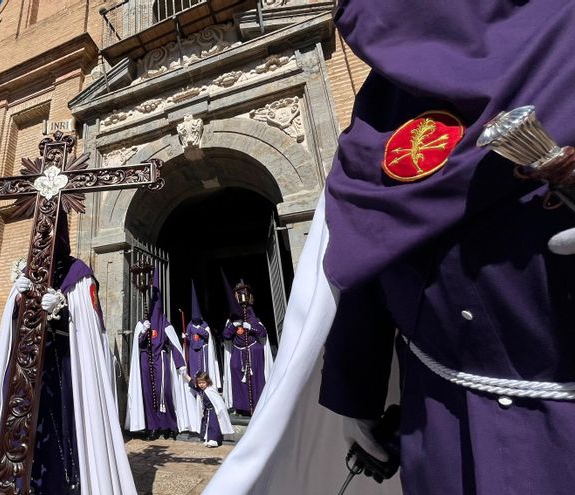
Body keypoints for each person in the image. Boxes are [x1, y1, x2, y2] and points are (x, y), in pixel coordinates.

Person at [205, 2, 575, 494]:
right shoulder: (380, 108)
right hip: (444, 420)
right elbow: (367, 246)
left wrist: (355, 392)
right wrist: (355, 391)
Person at [0, 209, 136, 495]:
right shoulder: (26, 270)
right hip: (24, 369)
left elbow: (91, 327)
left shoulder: (78, 273)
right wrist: (16, 300)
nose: (44, 235)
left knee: (59, 426)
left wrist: (62, 309)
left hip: (62, 369)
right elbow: (11, 326)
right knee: (14, 426)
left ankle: (60, 484)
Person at [125, 270, 199, 440]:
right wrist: (143, 331)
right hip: (146, 360)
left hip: (161, 360)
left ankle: (169, 425)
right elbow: (138, 344)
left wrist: (181, 366)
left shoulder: (165, 324)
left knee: (163, 392)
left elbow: (174, 344)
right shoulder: (142, 323)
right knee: (148, 394)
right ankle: (152, 427)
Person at [220, 277, 273, 416]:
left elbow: (262, 333)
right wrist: (234, 325)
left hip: (253, 350)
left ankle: (257, 406)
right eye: (238, 294)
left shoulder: (251, 314)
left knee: (255, 379)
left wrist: (251, 327)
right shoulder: (231, 317)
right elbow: (225, 335)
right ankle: (241, 407)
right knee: (237, 374)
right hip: (237, 352)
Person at [185, 280, 220, 386]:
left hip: (202, 350)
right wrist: (185, 337)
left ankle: (205, 386)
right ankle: (195, 386)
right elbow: (188, 336)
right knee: (194, 369)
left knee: (203, 370)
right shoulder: (189, 325)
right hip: (192, 351)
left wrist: (199, 329)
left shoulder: (204, 324)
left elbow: (207, 335)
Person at [185, 371, 234, 448]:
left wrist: (219, 411)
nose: (201, 384)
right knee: (207, 425)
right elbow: (192, 383)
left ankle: (215, 440)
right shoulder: (201, 390)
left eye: (203, 382)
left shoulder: (210, 390)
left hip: (214, 411)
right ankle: (209, 439)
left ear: (207, 382)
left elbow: (219, 402)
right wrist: (185, 374)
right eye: (199, 383)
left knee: (214, 425)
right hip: (207, 411)